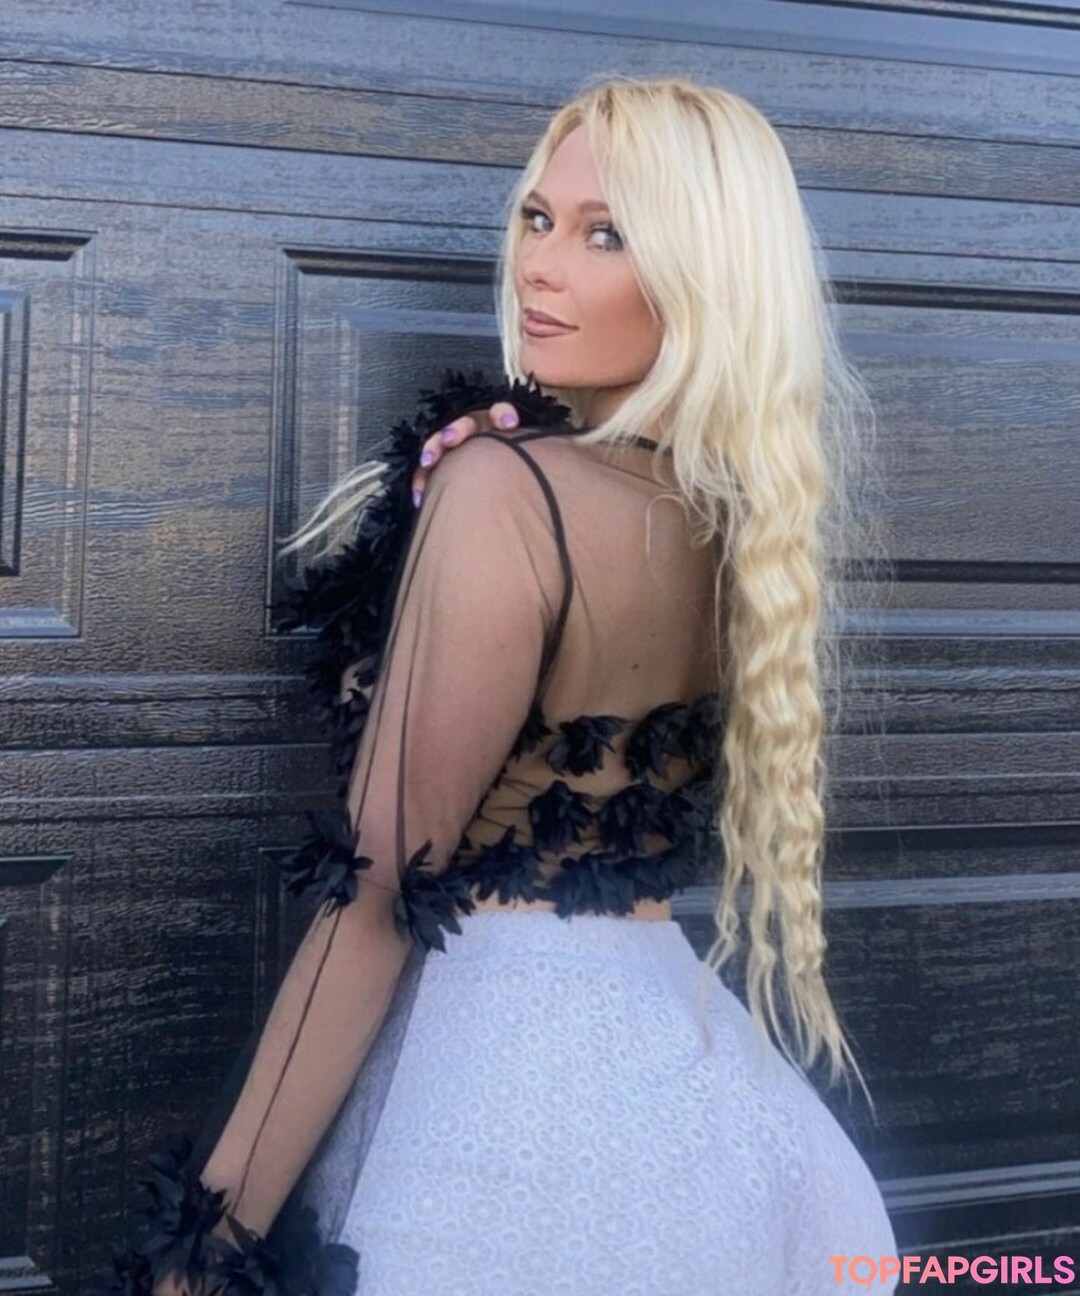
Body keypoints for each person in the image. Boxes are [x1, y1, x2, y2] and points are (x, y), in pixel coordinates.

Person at [87, 74, 899, 1296]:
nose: (541, 266)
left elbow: (376, 891)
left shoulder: (508, 491)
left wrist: (207, 1251)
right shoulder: (746, 525)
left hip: (502, 1112)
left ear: (705, 274)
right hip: (698, 1118)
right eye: (537, 217)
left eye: (607, 234)